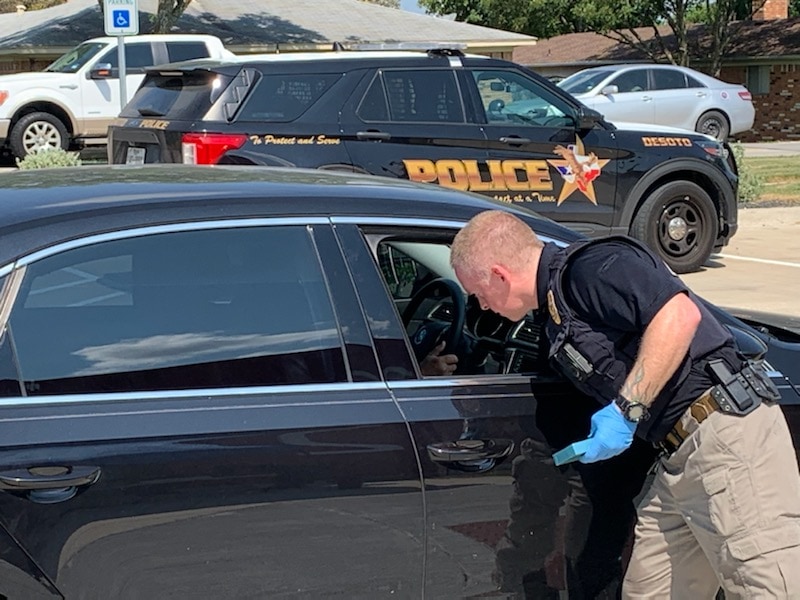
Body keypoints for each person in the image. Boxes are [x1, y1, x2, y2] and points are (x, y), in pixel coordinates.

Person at [450, 209, 800, 598]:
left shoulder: (591, 269)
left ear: (500, 275)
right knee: (648, 590)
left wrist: (625, 410)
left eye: (479, 294)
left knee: (767, 586)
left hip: (725, 435)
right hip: (678, 456)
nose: (481, 306)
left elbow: (678, 314)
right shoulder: (554, 311)